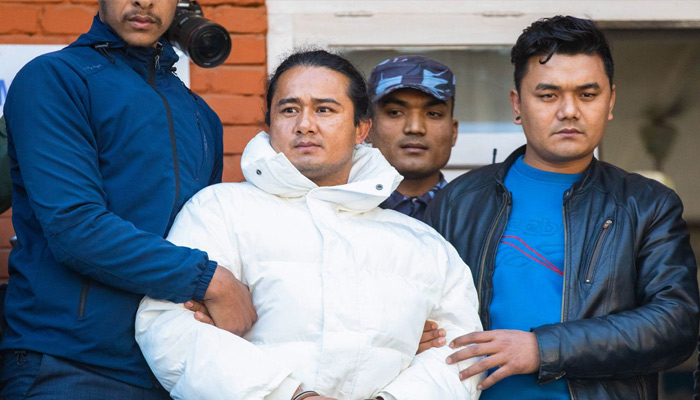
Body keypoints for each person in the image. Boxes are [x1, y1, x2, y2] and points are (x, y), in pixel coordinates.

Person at [135, 49, 484, 400]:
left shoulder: (422, 242)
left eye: (324, 109)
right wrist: (289, 396)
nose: (305, 124)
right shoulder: (219, 211)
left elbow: (462, 353)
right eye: (289, 109)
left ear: (361, 128)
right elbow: (169, 327)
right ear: (269, 124)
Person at [424, 15, 699, 399]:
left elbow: (675, 325)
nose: (569, 110)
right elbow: (414, 311)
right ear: (517, 104)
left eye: (587, 94)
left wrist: (543, 349)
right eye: (548, 95)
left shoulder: (646, 205)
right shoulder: (458, 202)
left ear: (610, 101)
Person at [0, 0, 256, 398]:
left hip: (173, 367)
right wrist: (211, 280)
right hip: (70, 364)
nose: (144, 1)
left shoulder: (199, 113)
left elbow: (204, 231)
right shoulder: (55, 78)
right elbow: (74, 226)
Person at [366, 56, 458, 221]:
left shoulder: (480, 212)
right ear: (367, 127)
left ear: (454, 132)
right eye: (395, 112)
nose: (415, 128)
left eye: (433, 114)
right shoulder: (339, 207)